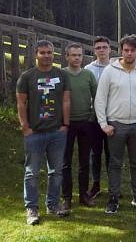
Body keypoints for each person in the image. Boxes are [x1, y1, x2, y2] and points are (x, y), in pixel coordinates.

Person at [94, 34, 136, 214]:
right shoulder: (110, 71)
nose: (129, 53)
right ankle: (113, 198)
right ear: (121, 51)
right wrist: (104, 124)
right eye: (125, 50)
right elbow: (100, 99)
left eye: (132, 50)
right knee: (115, 163)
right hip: (116, 125)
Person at [16, 40, 71, 225]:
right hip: (35, 133)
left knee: (56, 172)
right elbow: (21, 103)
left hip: (57, 132)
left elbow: (65, 101)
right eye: (42, 52)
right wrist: (25, 127)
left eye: (49, 52)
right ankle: (31, 208)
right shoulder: (27, 76)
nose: (46, 55)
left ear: (53, 54)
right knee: (32, 172)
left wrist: (65, 124)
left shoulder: (61, 75)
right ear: (36, 54)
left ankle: (53, 205)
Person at [61, 43, 97, 212]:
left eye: (79, 55)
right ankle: (66, 198)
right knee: (65, 162)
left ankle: (83, 195)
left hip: (85, 123)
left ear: (83, 57)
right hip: (66, 125)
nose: (76, 58)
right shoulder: (60, 74)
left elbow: (97, 98)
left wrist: (92, 116)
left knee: (85, 161)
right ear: (66, 56)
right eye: (73, 55)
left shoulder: (88, 75)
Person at [85, 36, 111, 199]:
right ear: (94, 50)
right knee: (95, 152)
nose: (101, 50)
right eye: (98, 48)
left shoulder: (116, 67)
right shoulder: (88, 69)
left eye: (104, 47)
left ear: (110, 49)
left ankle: (113, 185)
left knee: (111, 152)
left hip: (112, 116)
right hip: (94, 118)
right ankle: (95, 184)